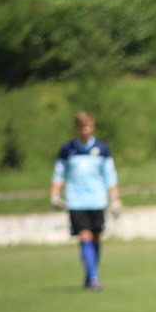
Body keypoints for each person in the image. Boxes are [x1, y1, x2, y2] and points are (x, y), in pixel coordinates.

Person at [50, 111, 122, 291]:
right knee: (84, 236)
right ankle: (94, 278)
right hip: (76, 201)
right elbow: (59, 174)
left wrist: (115, 199)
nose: (85, 130)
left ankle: (90, 275)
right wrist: (54, 194)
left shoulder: (102, 149)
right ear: (76, 128)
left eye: (88, 126)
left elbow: (110, 175)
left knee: (95, 238)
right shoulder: (67, 150)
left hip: (97, 201)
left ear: (92, 127)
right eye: (82, 127)